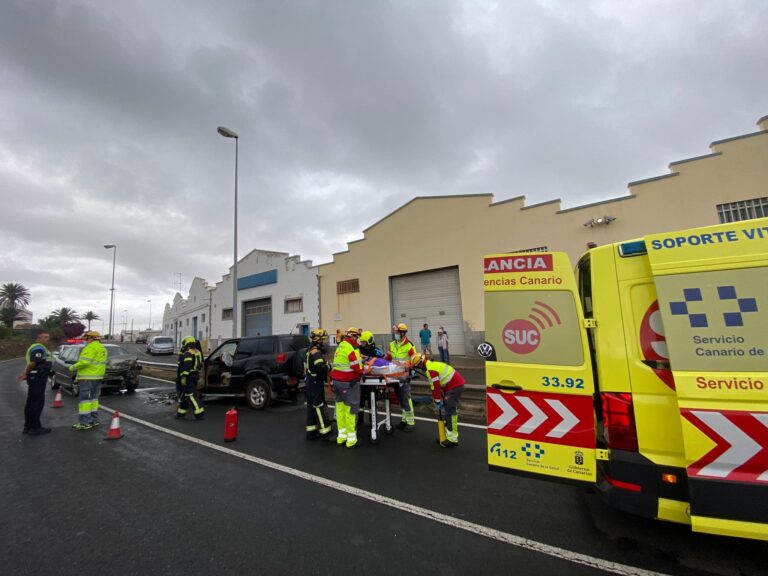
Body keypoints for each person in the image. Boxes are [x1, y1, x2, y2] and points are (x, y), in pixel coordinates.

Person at [412, 353, 465, 447]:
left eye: (418, 367)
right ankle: (446, 436)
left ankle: (453, 439)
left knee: (450, 412)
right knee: (448, 412)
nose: (419, 369)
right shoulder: (430, 366)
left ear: (421, 364)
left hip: (455, 387)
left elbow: (436, 387)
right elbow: (434, 387)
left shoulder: (431, 370)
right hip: (452, 386)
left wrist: (437, 401)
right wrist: (438, 399)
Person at [331, 326, 366, 448]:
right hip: (348, 384)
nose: (358, 340)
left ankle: (341, 437)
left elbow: (344, 362)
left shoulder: (341, 346)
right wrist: (365, 369)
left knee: (340, 410)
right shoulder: (352, 348)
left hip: (336, 382)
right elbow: (358, 369)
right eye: (357, 337)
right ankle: (351, 440)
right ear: (353, 336)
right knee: (351, 410)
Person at [69, 331, 107, 430]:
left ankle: (84, 423)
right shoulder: (102, 348)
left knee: (85, 401)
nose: (84, 340)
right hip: (97, 377)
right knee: (94, 400)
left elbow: (84, 362)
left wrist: (73, 367)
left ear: (90, 338)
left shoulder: (90, 347)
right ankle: (94, 420)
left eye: (85, 338)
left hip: (87, 377)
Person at [16, 332, 53, 435]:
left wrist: (26, 373)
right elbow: (33, 363)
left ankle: (28, 426)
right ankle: (34, 427)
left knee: (31, 403)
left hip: (35, 377)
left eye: (48, 337)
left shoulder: (39, 347)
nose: (47, 339)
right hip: (37, 378)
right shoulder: (38, 348)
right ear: (39, 338)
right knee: (36, 403)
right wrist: (25, 373)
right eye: (45, 337)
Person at [385, 322, 417, 431]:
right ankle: (404, 419)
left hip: (404, 376)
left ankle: (411, 422)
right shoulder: (392, 344)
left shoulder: (410, 346)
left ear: (403, 333)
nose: (396, 334)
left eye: (397, 332)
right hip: (394, 376)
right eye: (395, 332)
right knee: (400, 398)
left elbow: (414, 361)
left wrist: (406, 366)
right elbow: (388, 358)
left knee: (406, 398)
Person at [304, 328, 333, 440]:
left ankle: (311, 432)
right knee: (319, 406)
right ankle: (325, 432)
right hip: (316, 382)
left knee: (311, 406)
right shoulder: (316, 352)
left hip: (311, 382)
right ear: (318, 340)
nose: (324, 342)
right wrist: (330, 366)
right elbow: (320, 367)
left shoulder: (310, 349)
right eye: (323, 340)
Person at [176, 336, 205, 420]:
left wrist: (184, 377)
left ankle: (199, 413)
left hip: (188, 377)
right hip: (195, 375)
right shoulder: (197, 351)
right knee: (185, 396)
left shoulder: (188, 353)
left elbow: (187, 366)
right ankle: (181, 413)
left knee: (191, 395)